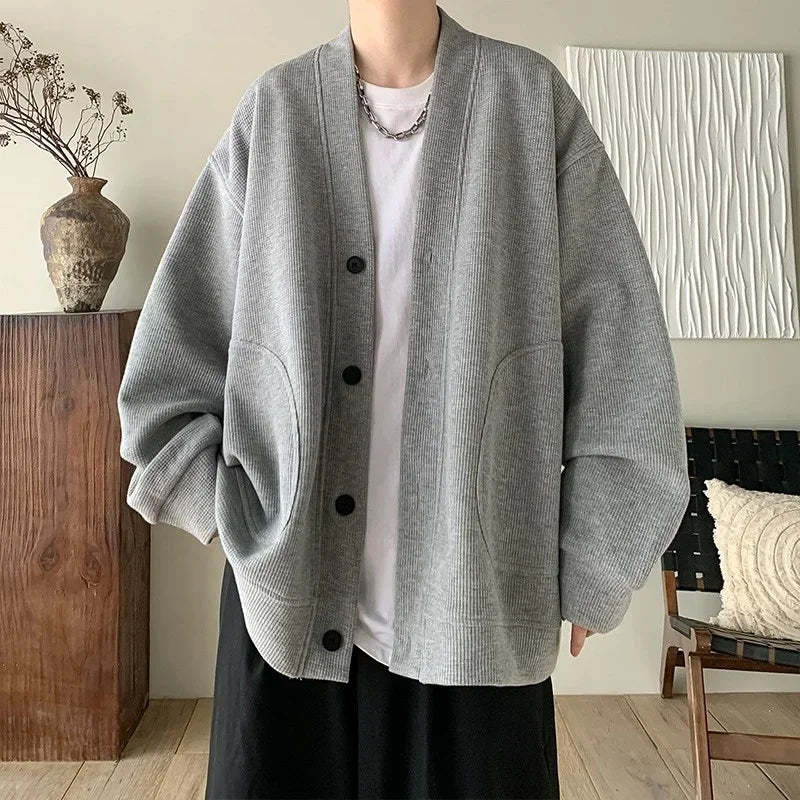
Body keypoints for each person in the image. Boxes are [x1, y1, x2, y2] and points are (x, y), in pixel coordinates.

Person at [117, 2, 691, 798]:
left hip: (477, 618)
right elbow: (166, 373)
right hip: (286, 620)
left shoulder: (529, 102)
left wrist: (597, 556)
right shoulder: (277, 112)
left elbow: (624, 358)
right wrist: (235, 519)